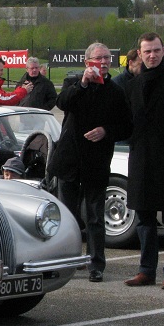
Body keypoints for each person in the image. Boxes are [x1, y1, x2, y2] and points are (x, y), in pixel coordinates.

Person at [47, 42, 133, 283]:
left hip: (96, 160)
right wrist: (83, 83)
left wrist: (106, 131)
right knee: (68, 214)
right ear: (87, 62)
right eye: (98, 59)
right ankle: (66, 261)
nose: (103, 62)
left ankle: (96, 263)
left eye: (107, 58)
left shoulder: (116, 91)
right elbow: (63, 103)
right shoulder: (74, 84)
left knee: (95, 215)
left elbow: (126, 125)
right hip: (70, 159)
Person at [124, 32, 164, 290]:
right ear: (140, 53)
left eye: (156, 50)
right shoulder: (131, 86)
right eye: (147, 51)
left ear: (163, 52)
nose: (152, 55)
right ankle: (146, 270)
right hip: (140, 159)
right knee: (145, 219)